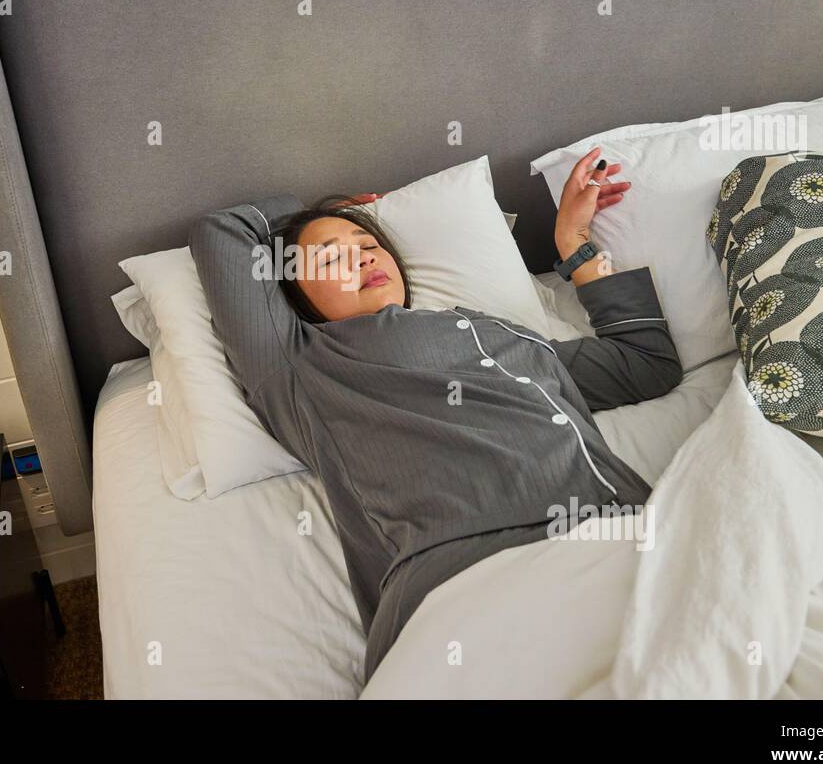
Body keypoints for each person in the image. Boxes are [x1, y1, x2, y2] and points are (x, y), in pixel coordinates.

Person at [190, 147, 682, 679]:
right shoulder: (302, 365)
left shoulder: (501, 336)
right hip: (462, 586)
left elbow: (646, 364)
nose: (362, 257)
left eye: (369, 243)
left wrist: (574, 244)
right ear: (295, 299)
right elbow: (225, 231)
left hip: (625, 542)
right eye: (331, 259)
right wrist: (317, 214)